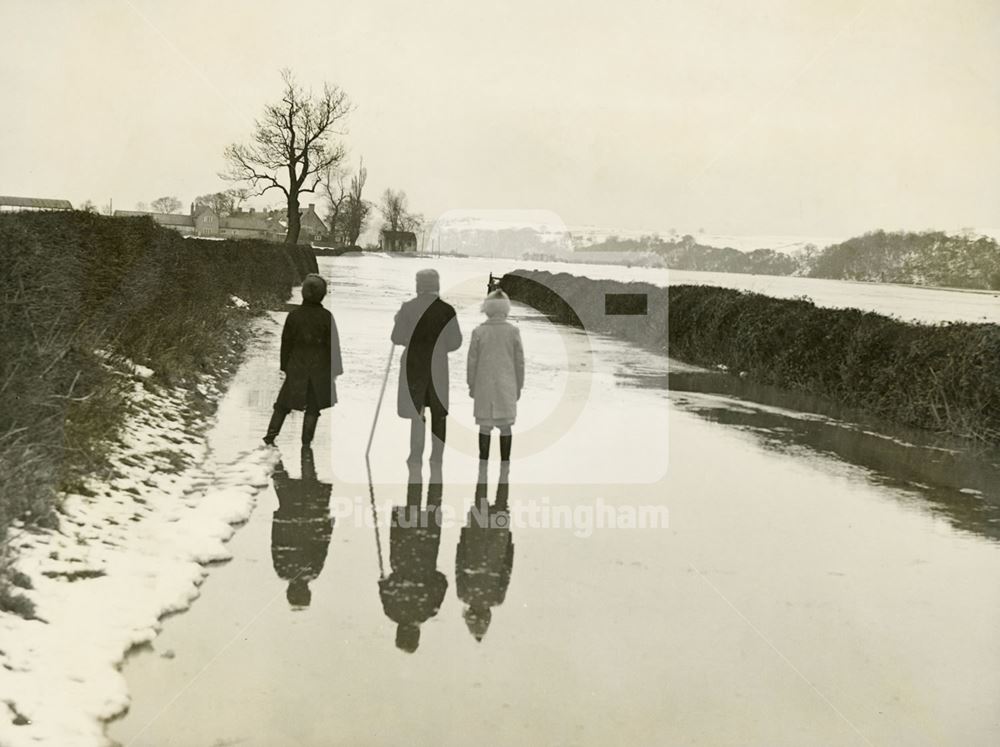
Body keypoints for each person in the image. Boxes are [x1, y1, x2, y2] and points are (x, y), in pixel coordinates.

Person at [390, 269, 462, 470]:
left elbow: (396, 338)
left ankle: (415, 456)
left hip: (413, 365)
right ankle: (437, 458)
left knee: (417, 410)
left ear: (419, 285)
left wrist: (399, 322)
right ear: (436, 285)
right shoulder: (447, 310)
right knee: (438, 412)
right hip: (438, 365)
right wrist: (440, 348)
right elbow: (456, 342)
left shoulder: (408, 308)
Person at [263, 274, 343, 446]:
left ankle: (270, 437)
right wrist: (335, 371)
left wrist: (285, 366)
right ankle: (306, 445)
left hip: (296, 367)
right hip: (319, 369)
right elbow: (333, 347)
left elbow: (286, 343)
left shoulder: (294, 316)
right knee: (313, 409)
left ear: (303, 293)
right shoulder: (326, 317)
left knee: (283, 404)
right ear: (323, 295)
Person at [270, 447, 334, 609]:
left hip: (302, 517)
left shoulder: (311, 571)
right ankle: (278, 454)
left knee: (307, 479)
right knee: (305, 479)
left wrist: (327, 524)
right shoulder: (288, 571)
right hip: (296, 517)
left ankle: (275, 453)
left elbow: (277, 544)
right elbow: (321, 545)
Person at [466, 289, 524, 462]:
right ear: (506, 309)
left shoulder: (478, 332)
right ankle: (504, 466)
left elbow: (472, 363)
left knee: (484, 426)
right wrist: (519, 386)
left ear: (487, 309)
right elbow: (519, 363)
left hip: (483, 386)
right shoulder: (513, 332)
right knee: (506, 427)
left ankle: (482, 465)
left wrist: (471, 385)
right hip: (507, 387)